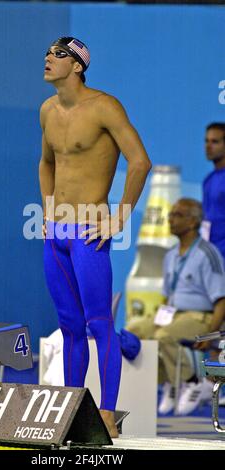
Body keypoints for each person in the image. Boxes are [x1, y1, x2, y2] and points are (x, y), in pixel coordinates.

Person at [39, 36, 151, 437]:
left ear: (78, 66)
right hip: (57, 233)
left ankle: (105, 413)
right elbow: (46, 162)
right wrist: (49, 209)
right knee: (69, 325)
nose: (48, 59)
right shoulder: (48, 110)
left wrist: (119, 217)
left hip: (90, 230)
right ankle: (72, 409)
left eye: (58, 54)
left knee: (99, 323)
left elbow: (140, 162)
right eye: (48, 53)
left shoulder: (104, 106)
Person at [128, 198, 225, 415]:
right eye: (171, 214)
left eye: (177, 215)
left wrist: (211, 334)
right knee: (136, 329)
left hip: (201, 316)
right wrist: (155, 318)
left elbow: (222, 300)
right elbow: (167, 297)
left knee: (164, 336)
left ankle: (191, 381)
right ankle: (170, 382)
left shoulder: (207, 254)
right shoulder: (170, 254)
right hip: (173, 314)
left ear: (192, 222)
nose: (170, 219)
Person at [203, 123, 225, 259]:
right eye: (206, 141)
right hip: (211, 257)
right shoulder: (208, 180)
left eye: (215, 142)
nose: (208, 146)